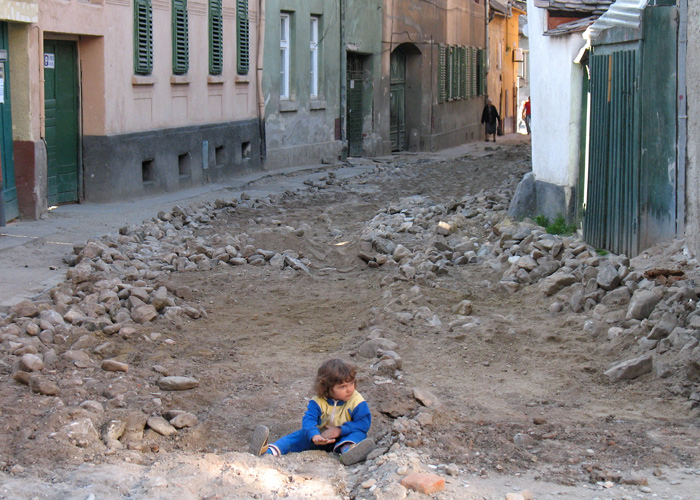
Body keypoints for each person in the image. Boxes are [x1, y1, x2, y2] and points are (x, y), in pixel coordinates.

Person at [249, 358, 374, 466]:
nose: (349, 390)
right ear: (327, 387)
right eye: (342, 387)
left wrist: (339, 430)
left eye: (351, 383)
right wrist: (315, 435)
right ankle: (267, 451)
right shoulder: (318, 402)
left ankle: (348, 451)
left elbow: (364, 423)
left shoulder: (357, 401)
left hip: (345, 437)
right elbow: (309, 420)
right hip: (320, 437)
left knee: (359, 434)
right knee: (298, 436)